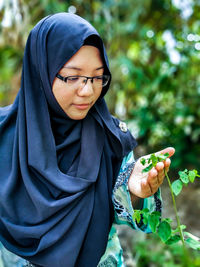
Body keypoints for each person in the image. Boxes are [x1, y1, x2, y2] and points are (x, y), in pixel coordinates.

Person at [0, 12, 175, 267]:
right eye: (72, 77)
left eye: (97, 77)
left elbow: (133, 213)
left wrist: (134, 191)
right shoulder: (4, 133)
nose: (88, 90)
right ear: (41, 71)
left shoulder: (110, 136)